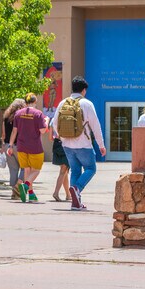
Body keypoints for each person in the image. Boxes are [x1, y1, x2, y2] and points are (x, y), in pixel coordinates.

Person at [51, 76, 106, 211]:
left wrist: (62, 137)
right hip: (83, 144)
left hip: (67, 145)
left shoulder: (63, 102)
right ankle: (77, 188)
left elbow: (54, 123)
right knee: (91, 169)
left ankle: (75, 202)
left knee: (75, 170)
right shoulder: (87, 104)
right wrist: (101, 145)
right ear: (84, 90)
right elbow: (95, 126)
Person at [7, 93, 49, 203]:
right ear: (35, 102)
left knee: (27, 170)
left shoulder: (18, 113)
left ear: (25, 103)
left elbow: (14, 131)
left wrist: (10, 145)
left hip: (21, 146)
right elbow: (43, 130)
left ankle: (31, 194)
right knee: (36, 170)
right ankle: (25, 186)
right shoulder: (38, 114)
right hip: (35, 147)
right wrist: (47, 121)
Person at [1, 98, 26, 200]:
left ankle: (14, 193)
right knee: (25, 167)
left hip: (8, 146)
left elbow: (3, 134)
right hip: (19, 145)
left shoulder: (6, 117)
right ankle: (18, 186)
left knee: (13, 169)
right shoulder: (21, 117)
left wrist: (3, 146)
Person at [50, 125, 71, 202]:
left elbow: (50, 138)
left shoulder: (53, 121)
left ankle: (68, 195)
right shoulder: (70, 117)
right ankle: (56, 193)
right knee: (63, 171)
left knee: (64, 171)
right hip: (67, 144)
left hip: (56, 145)